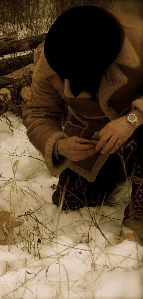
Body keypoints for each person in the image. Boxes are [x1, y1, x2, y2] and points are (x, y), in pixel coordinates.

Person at [22, 6, 143, 240]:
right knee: (71, 201)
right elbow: (39, 113)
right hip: (95, 138)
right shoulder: (50, 57)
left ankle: (138, 218)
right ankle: (124, 168)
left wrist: (131, 120)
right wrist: (58, 145)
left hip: (139, 123)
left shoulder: (138, 38)